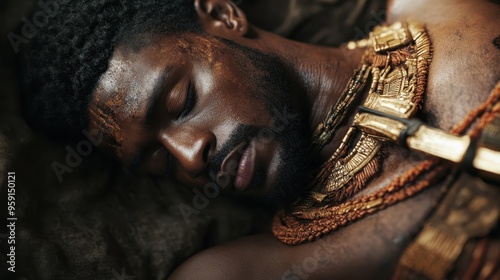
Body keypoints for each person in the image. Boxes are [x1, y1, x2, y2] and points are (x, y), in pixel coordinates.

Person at [20, 0, 500, 278]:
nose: (189, 157)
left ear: (224, 16)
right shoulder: (248, 272)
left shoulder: (442, 6)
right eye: (157, 161)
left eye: (181, 101)